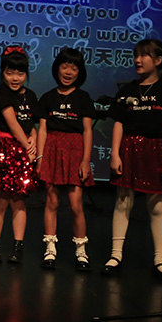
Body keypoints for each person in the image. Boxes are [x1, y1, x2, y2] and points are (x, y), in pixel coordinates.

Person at [105, 38, 162, 281]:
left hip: (157, 150)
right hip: (129, 148)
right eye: (136, 55)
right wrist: (115, 153)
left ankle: (160, 259)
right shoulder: (128, 90)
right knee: (123, 202)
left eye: (144, 56)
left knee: (157, 206)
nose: (137, 60)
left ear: (158, 60)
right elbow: (118, 123)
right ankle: (115, 255)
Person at [36, 48, 95, 270]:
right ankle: (50, 249)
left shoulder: (83, 98)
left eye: (74, 68)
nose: (68, 72)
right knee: (51, 201)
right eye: (64, 66)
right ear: (57, 68)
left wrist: (85, 160)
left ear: (80, 72)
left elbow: (87, 130)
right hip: (52, 149)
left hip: (75, 151)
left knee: (75, 204)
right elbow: (42, 130)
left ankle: (81, 251)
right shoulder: (47, 97)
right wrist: (40, 157)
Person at [0, 45, 40, 264]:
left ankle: (18, 247)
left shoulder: (31, 95)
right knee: (0, 200)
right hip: (5, 148)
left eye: (20, 73)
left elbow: (31, 124)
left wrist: (33, 138)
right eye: (10, 73)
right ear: (3, 73)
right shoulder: (2, 92)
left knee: (19, 201)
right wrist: (28, 146)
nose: (15, 78)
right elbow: (12, 122)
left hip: (24, 150)